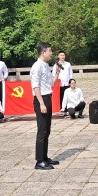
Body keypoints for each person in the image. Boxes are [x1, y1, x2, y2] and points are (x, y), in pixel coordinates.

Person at [31, 42, 60, 170]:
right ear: (43, 52)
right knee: (42, 130)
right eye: (49, 51)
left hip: (48, 97)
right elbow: (35, 86)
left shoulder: (46, 66)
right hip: (41, 99)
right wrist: (41, 103)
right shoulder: (37, 66)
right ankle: (39, 161)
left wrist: (57, 72)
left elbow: (52, 83)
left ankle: (45, 157)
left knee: (47, 130)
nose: (51, 53)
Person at [53, 51, 73, 115]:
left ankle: (68, 109)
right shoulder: (56, 65)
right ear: (58, 56)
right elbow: (53, 74)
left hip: (67, 83)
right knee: (61, 97)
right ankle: (62, 109)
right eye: (61, 55)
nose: (62, 56)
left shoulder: (68, 64)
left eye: (63, 55)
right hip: (60, 84)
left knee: (68, 96)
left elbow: (70, 73)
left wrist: (71, 82)